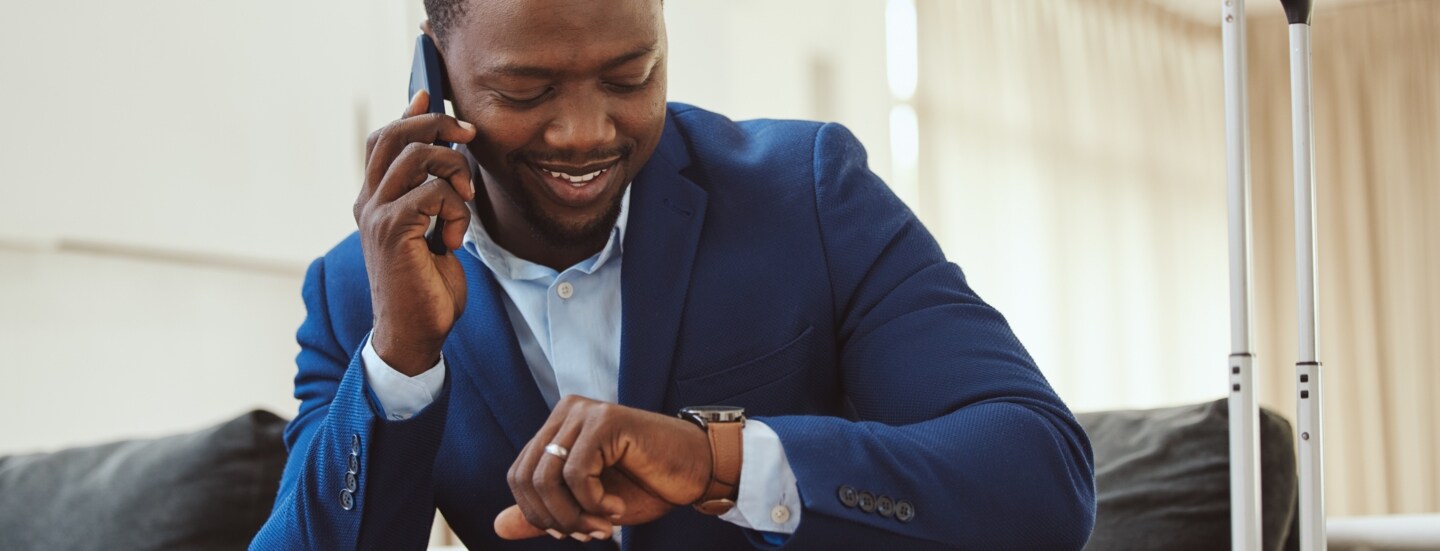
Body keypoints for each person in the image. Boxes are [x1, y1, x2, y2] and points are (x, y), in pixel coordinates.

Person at [251, 0, 1095, 549]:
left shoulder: (807, 191)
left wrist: (716, 461)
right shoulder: (360, 291)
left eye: (631, 76)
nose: (584, 132)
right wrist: (400, 357)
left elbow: (1042, 476)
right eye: (527, 88)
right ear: (434, 77)